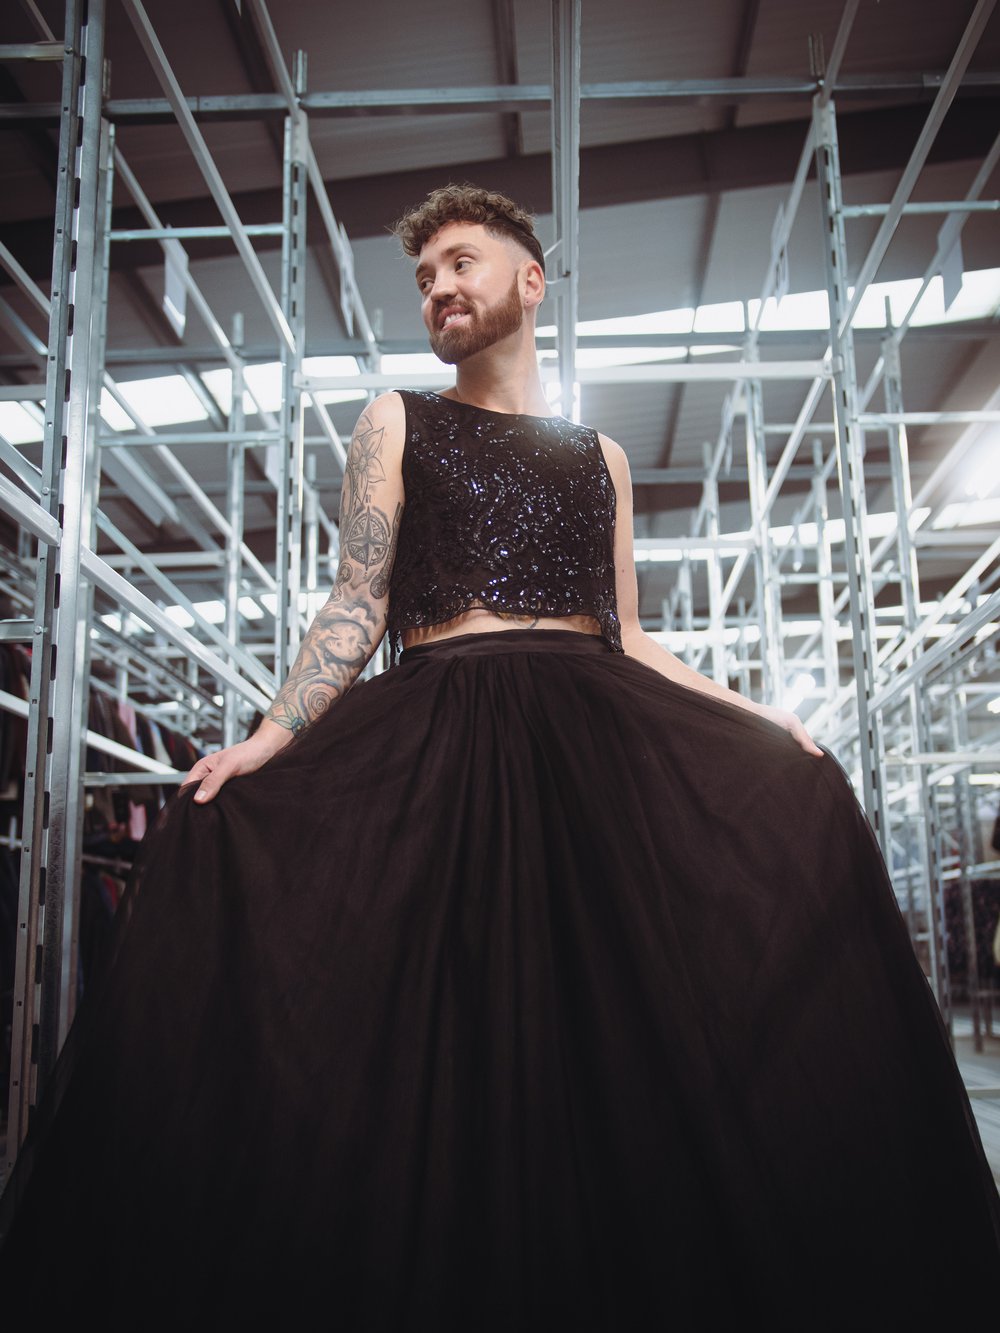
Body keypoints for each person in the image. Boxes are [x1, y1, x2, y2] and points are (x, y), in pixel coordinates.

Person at [1, 185, 998, 1328]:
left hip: (592, 750)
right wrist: (267, 740)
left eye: (459, 264)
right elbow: (355, 602)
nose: (438, 289)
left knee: (613, 1040)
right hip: (444, 743)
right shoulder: (396, 419)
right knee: (442, 1035)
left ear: (530, 279)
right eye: (423, 279)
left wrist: (765, 723)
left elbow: (629, 637)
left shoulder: (602, 460)